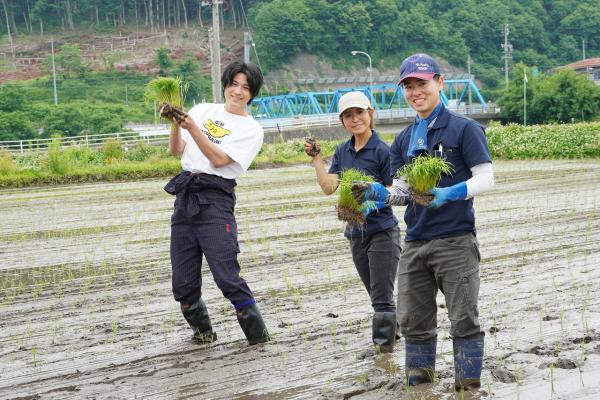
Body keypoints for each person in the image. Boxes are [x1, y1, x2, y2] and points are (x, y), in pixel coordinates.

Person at [352, 53, 494, 390]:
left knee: (463, 318)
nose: (416, 91)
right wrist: (380, 192)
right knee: (413, 320)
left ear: (439, 83)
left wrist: (452, 192)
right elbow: (403, 189)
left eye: (423, 83)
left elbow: (486, 178)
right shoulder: (403, 139)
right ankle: (420, 386)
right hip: (415, 242)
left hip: (455, 240)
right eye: (409, 86)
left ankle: (468, 387)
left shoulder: (465, 128)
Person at [164, 61, 270, 346]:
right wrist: (176, 125)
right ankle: (203, 335)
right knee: (183, 283)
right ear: (225, 85)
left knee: (227, 277)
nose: (237, 91)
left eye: (245, 88)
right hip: (186, 196)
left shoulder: (251, 129)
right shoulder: (202, 110)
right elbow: (177, 150)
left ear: (252, 94)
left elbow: (220, 160)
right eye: (233, 84)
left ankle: (260, 341)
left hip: (215, 200)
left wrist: (193, 128)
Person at [304, 91, 401, 353]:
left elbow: (393, 193)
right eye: (348, 115)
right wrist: (316, 159)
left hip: (382, 232)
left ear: (370, 114)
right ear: (342, 121)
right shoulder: (342, 151)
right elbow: (328, 187)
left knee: (381, 299)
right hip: (356, 234)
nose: (355, 119)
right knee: (376, 295)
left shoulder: (383, 151)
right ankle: (395, 332)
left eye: (359, 113)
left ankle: (383, 354)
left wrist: (368, 201)